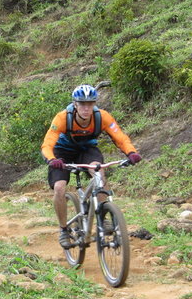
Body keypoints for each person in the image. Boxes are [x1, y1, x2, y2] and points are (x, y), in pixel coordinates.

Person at [41, 84, 141, 249]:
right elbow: (48, 143)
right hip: (61, 152)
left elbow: (120, 137)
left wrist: (131, 152)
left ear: (94, 104)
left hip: (87, 150)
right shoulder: (62, 118)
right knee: (59, 187)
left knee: (98, 173)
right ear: (75, 104)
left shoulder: (102, 117)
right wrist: (52, 159)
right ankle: (64, 230)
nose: (86, 108)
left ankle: (104, 216)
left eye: (90, 104)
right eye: (82, 104)